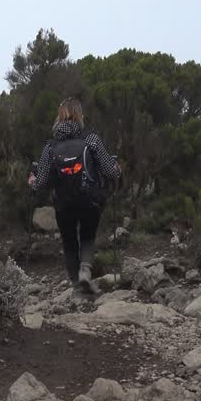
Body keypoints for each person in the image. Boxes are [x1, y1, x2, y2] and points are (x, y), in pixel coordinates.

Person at [28, 98, 121, 290]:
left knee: (69, 241)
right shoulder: (91, 139)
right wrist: (116, 169)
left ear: (59, 117)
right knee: (87, 235)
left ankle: (75, 285)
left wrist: (32, 182)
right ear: (80, 116)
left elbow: (42, 182)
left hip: (63, 203)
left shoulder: (50, 147)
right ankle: (85, 270)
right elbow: (110, 172)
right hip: (90, 199)